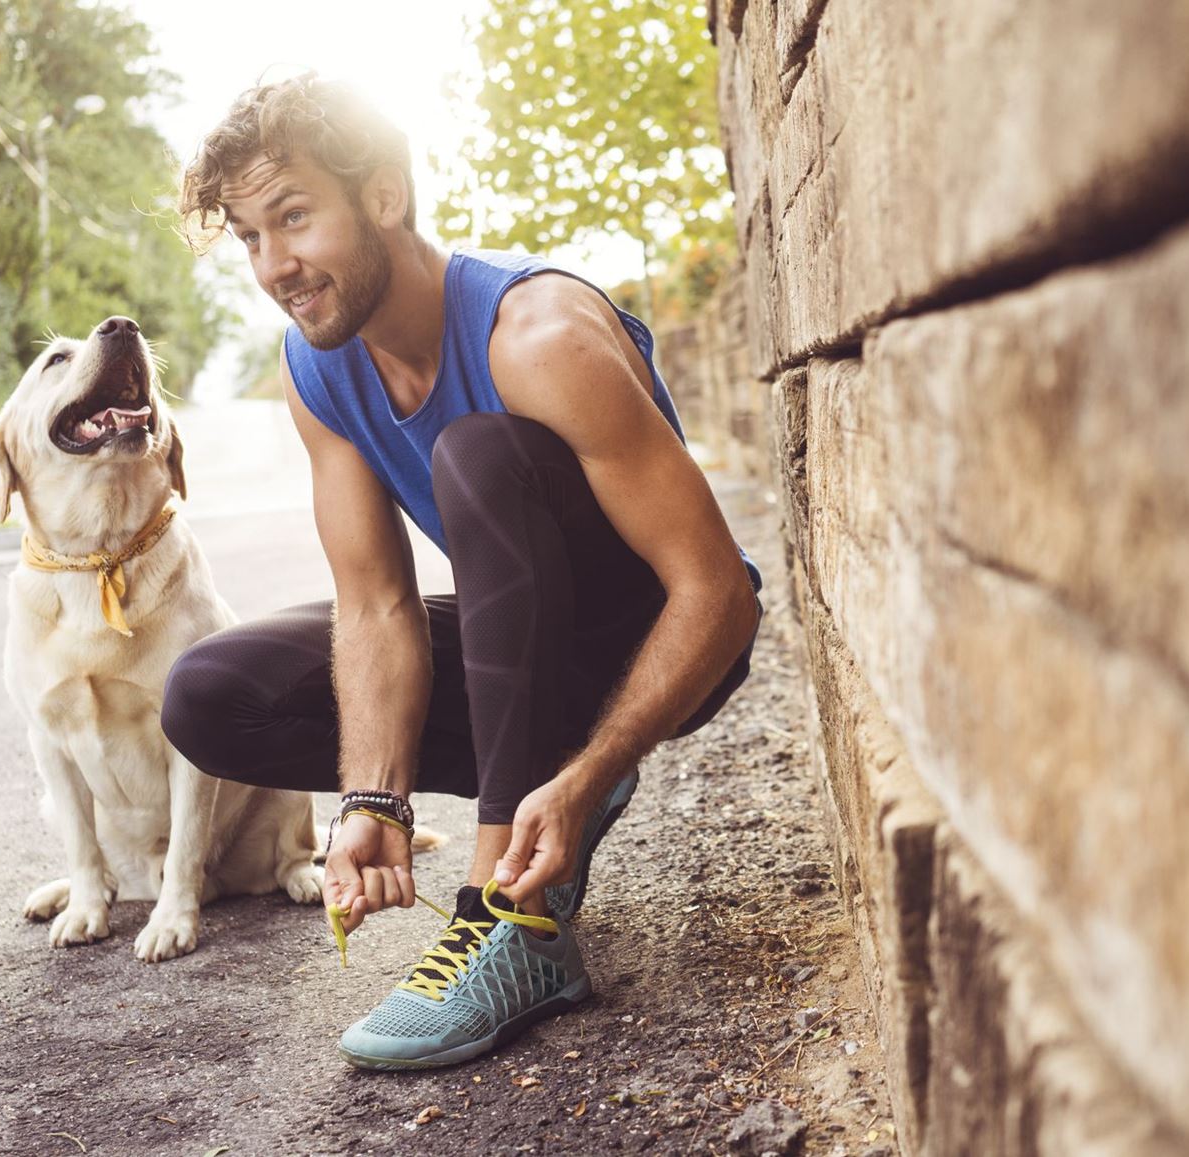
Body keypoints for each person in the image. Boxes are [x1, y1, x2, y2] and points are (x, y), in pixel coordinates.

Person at [160, 73, 763, 1070]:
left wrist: (591, 770)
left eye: (293, 218)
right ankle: (532, 791)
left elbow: (719, 595)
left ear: (383, 194)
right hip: (520, 639)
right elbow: (375, 605)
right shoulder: (316, 367)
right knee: (210, 694)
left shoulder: (537, 335)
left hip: (655, 638)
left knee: (476, 455)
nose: (274, 264)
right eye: (249, 237)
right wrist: (371, 802)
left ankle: (510, 918)